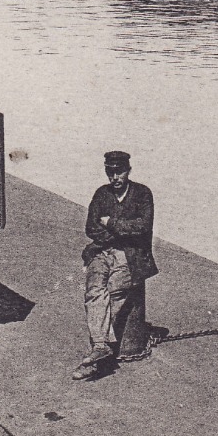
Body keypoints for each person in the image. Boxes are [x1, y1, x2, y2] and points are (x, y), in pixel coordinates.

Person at [74, 150, 158, 380]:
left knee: (113, 290)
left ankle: (97, 354)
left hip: (132, 255)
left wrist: (110, 222)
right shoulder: (102, 194)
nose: (115, 177)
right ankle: (101, 346)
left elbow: (143, 226)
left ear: (128, 171)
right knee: (93, 289)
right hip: (103, 250)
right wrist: (118, 233)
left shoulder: (142, 194)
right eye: (110, 172)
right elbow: (91, 227)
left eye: (119, 172)